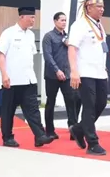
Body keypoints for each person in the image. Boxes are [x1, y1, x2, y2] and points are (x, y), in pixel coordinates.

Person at [0, 7, 53, 148]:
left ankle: (40, 135)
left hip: (28, 79)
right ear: (22, 17)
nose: (33, 20)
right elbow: (1, 55)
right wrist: (4, 74)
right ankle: (7, 138)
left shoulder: (31, 35)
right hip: (12, 80)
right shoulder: (8, 33)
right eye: (31, 17)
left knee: (33, 109)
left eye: (34, 18)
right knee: (8, 111)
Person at [68, 0, 109, 156]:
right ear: (88, 7)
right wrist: (74, 71)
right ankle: (92, 142)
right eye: (98, 6)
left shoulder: (99, 25)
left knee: (101, 103)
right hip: (85, 72)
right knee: (90, 106)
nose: (101, 9)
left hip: (100, 72)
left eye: (103, 6)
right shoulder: (79, 25)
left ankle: (78, 129)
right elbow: (72, 48)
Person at [42, 11, 81, 139]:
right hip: (52, 75)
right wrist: (57, 70)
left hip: (67, 75)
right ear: (55, 21)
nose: (64, 22)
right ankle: (50, 131)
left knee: (72, 101)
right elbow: (48, 56)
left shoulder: (69, 37)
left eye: (65, 20)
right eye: (61, 20)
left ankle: (73, 130)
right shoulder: (49, 36)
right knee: (51, 102)